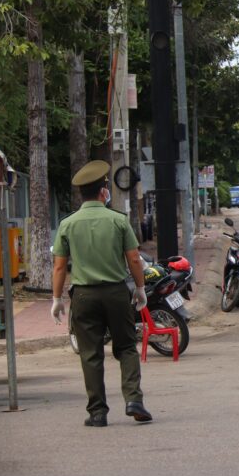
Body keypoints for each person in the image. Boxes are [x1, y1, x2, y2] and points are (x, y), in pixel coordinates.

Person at [50, 160, 152, 427]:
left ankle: (97, 412)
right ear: (103, 192)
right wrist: (140, 288)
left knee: (90, 353)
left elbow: (60, 266)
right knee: (127, 346)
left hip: (83, 296)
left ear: (82, 193)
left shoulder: (68, 224)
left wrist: (56, 299)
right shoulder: (118, 220)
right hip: (117, 293)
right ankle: (134, 400)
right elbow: (133, 259)